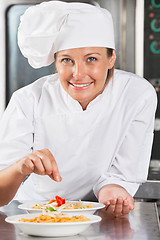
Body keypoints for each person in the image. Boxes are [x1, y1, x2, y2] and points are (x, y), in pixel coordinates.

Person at [0, 1, 157, 217]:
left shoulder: (137, 94)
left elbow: (121, 174)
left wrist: (113, 190)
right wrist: (20, 168)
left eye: (91, 59)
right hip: (33, 211)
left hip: (96, 212)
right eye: (67, 60)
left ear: (111, 59)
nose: (78, 74)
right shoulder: (27, 100)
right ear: (55, 63)